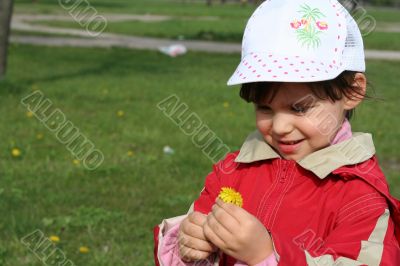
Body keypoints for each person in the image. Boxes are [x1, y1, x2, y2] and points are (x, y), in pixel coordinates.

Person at [153, 0, 400, 265]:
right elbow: (196, 236)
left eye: (300, 108)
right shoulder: (233, 172)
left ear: (351, 91)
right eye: (265, 107)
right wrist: (187, 244)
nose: (280, 127)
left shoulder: (359, 196)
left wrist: (267, 256)